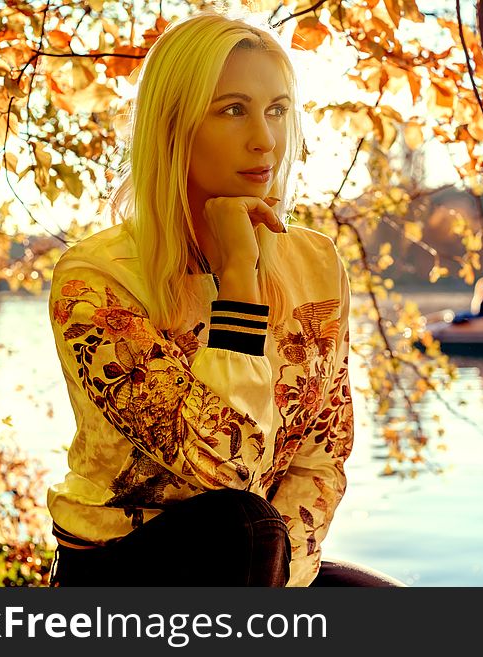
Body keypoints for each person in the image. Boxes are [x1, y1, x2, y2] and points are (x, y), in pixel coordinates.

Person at [45, 11, 403, 587]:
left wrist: (287, 580)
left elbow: (321, 457)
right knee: (239, 522)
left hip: (265, 558)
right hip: (124, 563)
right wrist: (240, 279)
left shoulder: (315, 263)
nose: (265, 138)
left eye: (278, 110)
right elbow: (224, 472)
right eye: (233, 110)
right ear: (174, 126)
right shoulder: (95, 280)